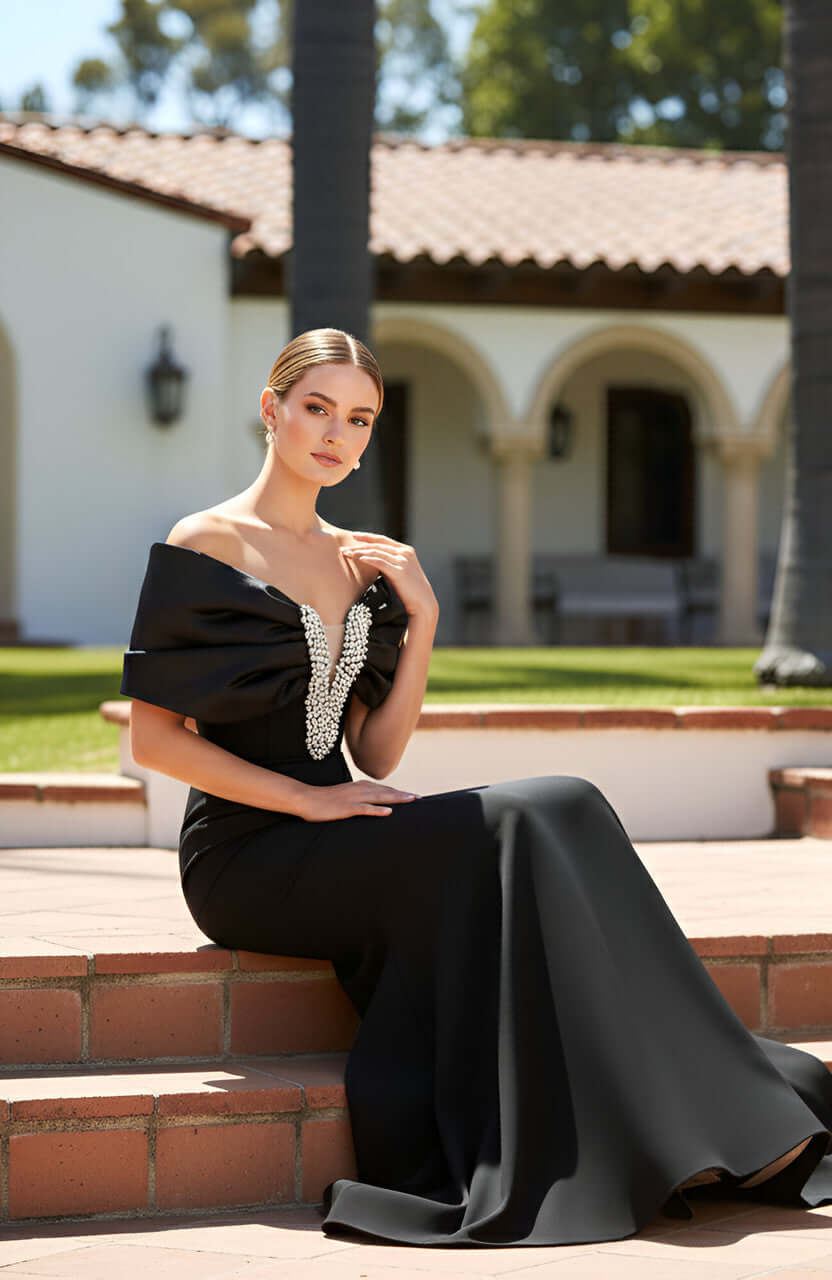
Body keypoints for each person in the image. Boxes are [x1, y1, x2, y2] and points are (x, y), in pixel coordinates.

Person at [120, 326, 832, 1248]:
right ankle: (700, 1106)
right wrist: (305, 800)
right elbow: (154, 741)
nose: (336, 434)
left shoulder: (360, 559)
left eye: (360, 419)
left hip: (344, 821)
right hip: (245, 855)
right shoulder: (207, 540)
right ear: (273, 409)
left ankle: (699, 1104)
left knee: (561, 805)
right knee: (523, 819)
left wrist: (422, 619)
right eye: (317, 409)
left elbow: (375, 755)